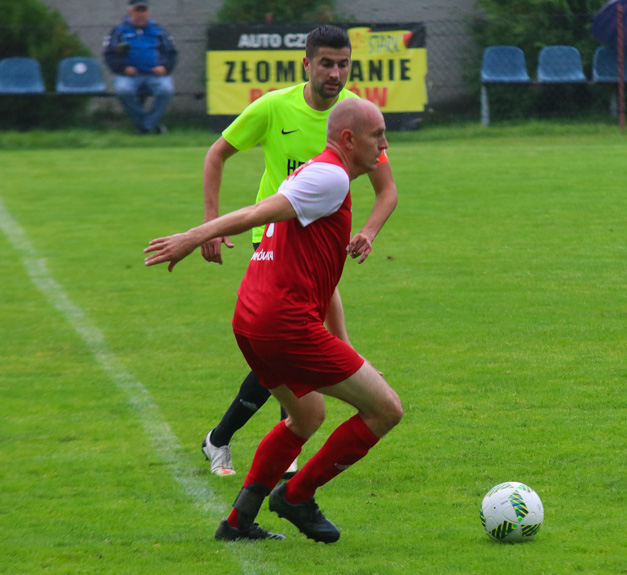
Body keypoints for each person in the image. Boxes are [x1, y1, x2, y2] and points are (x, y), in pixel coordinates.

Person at [145, 98, 403, 543]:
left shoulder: (318, 176)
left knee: (306, 416)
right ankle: (296, 496)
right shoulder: (331, 177)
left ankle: (237, 521)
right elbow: (253, 214)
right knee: (386, 410)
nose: (384, 143)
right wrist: (195, 235)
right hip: (283, 324)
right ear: (348, 139)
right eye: (377, 133)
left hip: (251, 319)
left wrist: (348, 348)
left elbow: (326, 283)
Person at [198, 25, 398, 478]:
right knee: (291, 344)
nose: (335, 72)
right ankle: (280, 458)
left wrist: (367, 231)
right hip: (273, 244)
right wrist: (209, 226)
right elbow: (216, 154)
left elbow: (388, 190)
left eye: (343, 64)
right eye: (326, 63)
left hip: (320, 250)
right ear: (306, 64)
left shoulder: (355, 120)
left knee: (295, 348)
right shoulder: (274, 107)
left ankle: (224, 439)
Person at [102, 0, 177, 134]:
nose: (140, 14)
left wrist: (164, 67)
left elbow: (171, 52)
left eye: (144, 10)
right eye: (138, 10)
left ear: (149, 12)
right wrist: (123, 68)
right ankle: (149, 125)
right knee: (123, 90)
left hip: (155, 74)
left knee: (166, 90)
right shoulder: (119, 30)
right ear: (130, 11)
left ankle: (146, 126)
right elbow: (109, 54)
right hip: (129, 75)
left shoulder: (158, 30)